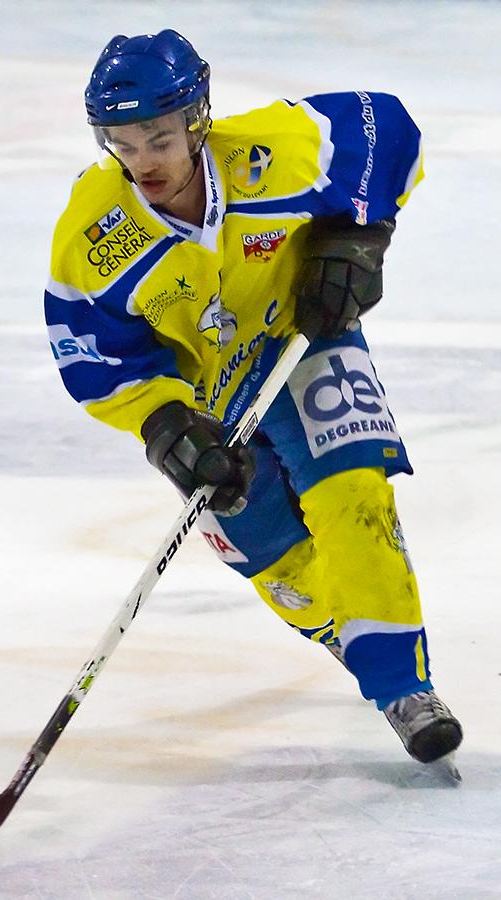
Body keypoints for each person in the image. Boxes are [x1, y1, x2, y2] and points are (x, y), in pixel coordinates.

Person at [45, 29, 463, 765]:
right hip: (207, 402)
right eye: (123, 143)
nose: (144, 162)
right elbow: (96, 353)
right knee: (272, 550)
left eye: (159, 138)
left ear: (196, 121)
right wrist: (164, 424)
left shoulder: (275, 152)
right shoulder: (95, 233)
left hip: (301, 341)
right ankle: (355, 634)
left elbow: (386, 129)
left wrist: (359, 237)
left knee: (352, 491)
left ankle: (404, 687)